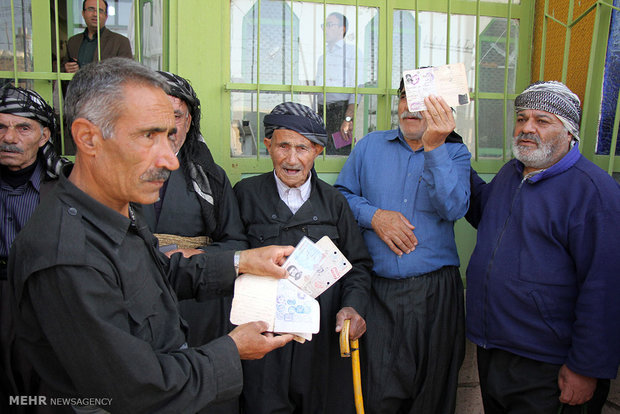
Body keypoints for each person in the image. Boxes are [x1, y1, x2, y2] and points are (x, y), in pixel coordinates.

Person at [8, 57, 294, 413]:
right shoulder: (67, 255)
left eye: (169, 134)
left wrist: (241, 261)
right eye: (148, 136)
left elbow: (159, 274)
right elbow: (136, 389)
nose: (170, 160)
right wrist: (232, 351)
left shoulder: (115, 209)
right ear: (88, 138)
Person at [465, 81, 620, 414]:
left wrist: (586, 368)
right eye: (521, 119)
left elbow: (605, 288)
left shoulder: (594, 192)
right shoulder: (512, 173)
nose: (527, 128)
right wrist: (451, 152)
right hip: (495, 349)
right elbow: (483, 212)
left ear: (569, 133)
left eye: (542, 120)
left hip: (549, 364)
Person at [335, 78, 471, 413]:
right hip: (380, 295)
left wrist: (435, 147)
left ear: (442, 108)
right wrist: (375, 216)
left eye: (424, 100)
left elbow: (454, 207)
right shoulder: (369, 147)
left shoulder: (455, 152)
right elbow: (340, 197)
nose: (411, 107)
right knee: (377, 393)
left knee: (434, 394)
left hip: (436, 295)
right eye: (406, 97)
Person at [234, 102, 372, 413]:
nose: (292, 159)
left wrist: (353, 306)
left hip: (320, 343)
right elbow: (230, 258)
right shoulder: (245, 195)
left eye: (303, 148)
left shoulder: (335, 203)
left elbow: (359, 266)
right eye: (283, 145)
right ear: (268, 145)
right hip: (263, 342)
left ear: (318, 151)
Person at [141, 71, 248, 414]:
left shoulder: (210, 176)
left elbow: (236, 243)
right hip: (136, 300)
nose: (169, 126)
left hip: (198, 306)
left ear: (189, 120)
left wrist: (197, 253)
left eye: (177, 115)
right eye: (158, 115)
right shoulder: (119, 171)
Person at [0, 84, 69, 411]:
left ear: (44, 136)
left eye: (22, 127)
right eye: (0, 126)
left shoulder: (68, 185)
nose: (9, 138)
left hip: (48, 299)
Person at [316, 12, 360, 156]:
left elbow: (357, 89)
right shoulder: (323, 57)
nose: (326, 29)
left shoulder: (352, 53)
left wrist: (348, 119)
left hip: (341, 111)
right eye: (324, 25)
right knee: (321, 153)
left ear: (343, 29)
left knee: (340, 154)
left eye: (330, 25)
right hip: (322, 111)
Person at [62, 0, 132, 74]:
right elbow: (61, 71)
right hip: (78, 85)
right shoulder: (73, 41)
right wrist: (67, 69)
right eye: (91, 9)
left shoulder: (120, 42)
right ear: (83, 13)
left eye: (100, 11)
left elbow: (127, 73)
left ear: (106, 16)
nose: (95, 14)